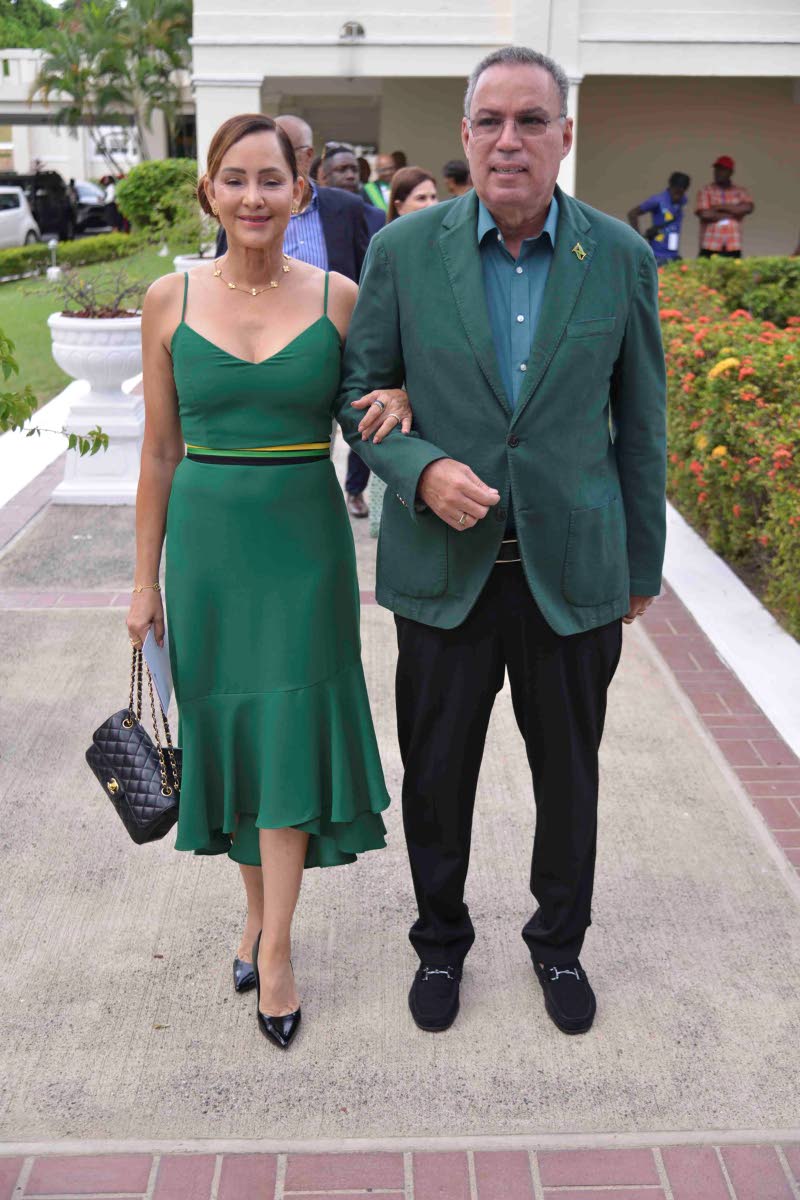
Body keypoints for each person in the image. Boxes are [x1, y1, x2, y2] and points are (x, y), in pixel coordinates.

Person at [335, 46, 666, 1037]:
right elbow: (357, 396)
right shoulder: (403, 251)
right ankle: (440, 946)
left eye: (530, 120)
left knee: (569, 779)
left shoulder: (616, 256)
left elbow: (639, 424)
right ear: (466, 135)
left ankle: (556, 946)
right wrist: (419, 468)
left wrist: (639, 566)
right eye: (488, 121)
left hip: (571, 575)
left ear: (564, 136)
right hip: (444, 576)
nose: (507, 140)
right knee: (435, 780)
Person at [126, 113, 413, 1051]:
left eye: (273, 180)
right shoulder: (167, 300)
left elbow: (374, 398)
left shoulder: (338, 297)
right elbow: (160, 450)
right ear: (209, 189)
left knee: (287, 734)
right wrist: (143, 584)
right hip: (206, 551)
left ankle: (277, 949)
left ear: (303, 192)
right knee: (233, 738)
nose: (254, 197)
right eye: (236, 179)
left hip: (303, 547)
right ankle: (254, 916)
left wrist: (402, 395)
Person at [215, 117, 371, 284]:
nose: (253, 200)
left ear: (308, 155)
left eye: (287, 153)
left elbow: (365, 276)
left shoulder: (347, 207)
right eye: (234, 182)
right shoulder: (242, 215)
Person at [318, 142, 385, 517]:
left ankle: (355, 489)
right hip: (317, 339)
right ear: (322, 178)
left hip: (361, 337)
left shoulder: (373, 217)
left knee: (363, 416)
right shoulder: (311, 221)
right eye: (341, 170)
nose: (350, 176)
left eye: (355, 171)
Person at [695, 156, 754, 258]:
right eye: (717, 169)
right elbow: (705, 214)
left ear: (730, 172)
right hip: (710, 245)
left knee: (734, 273)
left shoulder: (739, 191)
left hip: (733, 245)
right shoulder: (706, 190)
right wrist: (734, 212)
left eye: (722, 170)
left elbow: (748, 208)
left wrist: (717, 207)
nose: (718, 172)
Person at [627, 171, 689, 266]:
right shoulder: (658, 200)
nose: (677, 196)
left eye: (681, 193)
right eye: (676, 192)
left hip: (673, 254)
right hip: (658, 254)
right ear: (670, 186)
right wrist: (639, 238)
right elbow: (632, 213)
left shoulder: (683, 200)